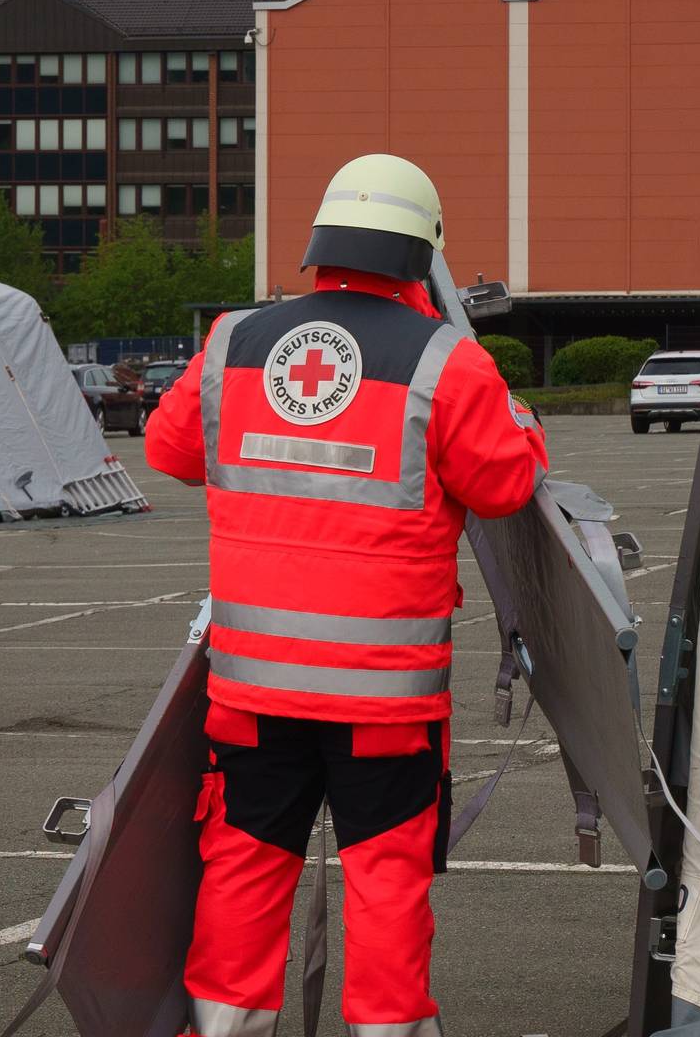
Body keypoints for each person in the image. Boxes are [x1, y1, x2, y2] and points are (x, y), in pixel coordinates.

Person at [144, 154, 549, 1037]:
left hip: (252, 694)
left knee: (243, 878)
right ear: (423, 253)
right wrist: (520, 417)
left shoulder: (233, 341)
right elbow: (508, 486)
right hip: (382, 702)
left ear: (322, 244)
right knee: (384, 888)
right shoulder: (447, 362)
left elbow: (170, 452)